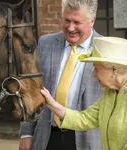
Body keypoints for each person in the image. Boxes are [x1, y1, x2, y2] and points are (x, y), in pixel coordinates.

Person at [19, 0, 103, 150]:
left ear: (92, 21)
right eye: (66, 20)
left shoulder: (104, 50)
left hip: (88, 139)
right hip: (47, 135)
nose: (70, 28)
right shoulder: (45, 43)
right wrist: (26, 133)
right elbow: (31, 89)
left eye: (77, 22)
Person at [41, 36, 127, 150]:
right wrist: (51, 103)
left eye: (96, 68)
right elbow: (85, 119)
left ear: (114, 70)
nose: (93, 73)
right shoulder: (110, 93)